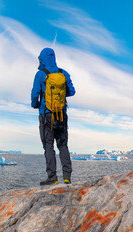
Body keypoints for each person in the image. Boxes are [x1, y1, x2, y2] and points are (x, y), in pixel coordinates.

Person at [31, 48, 75, 185]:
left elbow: (34, 94)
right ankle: (67, 177)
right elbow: (72, 91)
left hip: (46, 115)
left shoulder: (40, 74)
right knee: (63, 145)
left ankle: (52, 178)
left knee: (48, 146)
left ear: (42, 59)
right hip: (61, 114)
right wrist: (60, 96)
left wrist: (36, 104)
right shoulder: (64, 73)